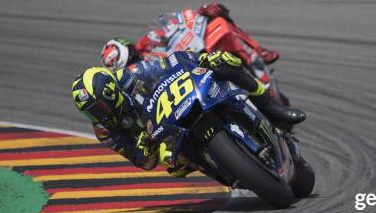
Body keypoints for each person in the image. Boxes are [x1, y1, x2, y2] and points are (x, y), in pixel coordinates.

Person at [71, 50, 305, 177]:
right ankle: (220, 167)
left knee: (223, 63)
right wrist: (145, 148)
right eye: (89, 114)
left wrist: (200, 58)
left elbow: (171, 61)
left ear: (110, 93)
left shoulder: (131, 75)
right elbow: (143, 162)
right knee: (173, 165)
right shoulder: (104, 131)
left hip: (182, 99)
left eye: (96, 108)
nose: (97, 117)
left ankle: (271, 109)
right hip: (165, 137)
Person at [100, 2, 280, 70]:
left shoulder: (147, 41)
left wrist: (197, 14)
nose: (133, 63)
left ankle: (257, 51)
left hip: (190, 54)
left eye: (131, 58)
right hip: (182, 82)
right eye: (128, 65)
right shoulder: (134, 78)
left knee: (219, 21)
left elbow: (170, 26)